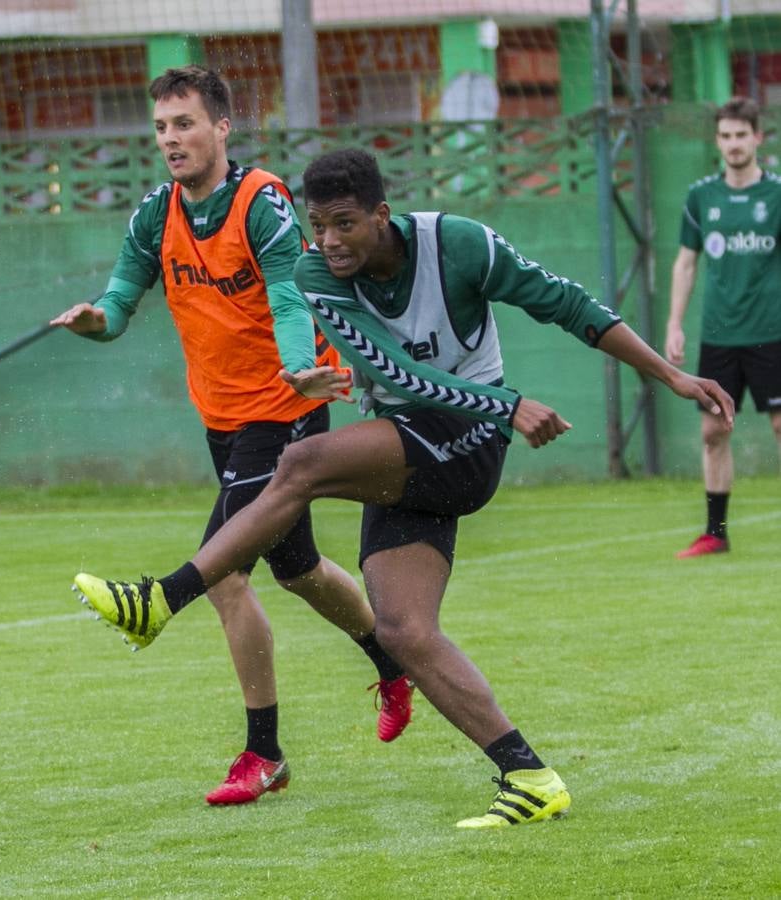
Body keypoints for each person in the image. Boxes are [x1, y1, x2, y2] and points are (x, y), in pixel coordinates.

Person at [73, 148, 736, 827]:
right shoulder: (316, 275)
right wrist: (506, 404)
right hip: (415, 442)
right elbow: (392, 372)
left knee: (300, 466)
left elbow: (567, 305)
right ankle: (529, 776)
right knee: (404, 629)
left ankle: (162, 598)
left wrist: (672, 377)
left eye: (345, 224)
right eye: (318, 225)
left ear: (381, 216)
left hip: (468, 441)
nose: (328, 241)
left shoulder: (458, 244)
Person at [50, 69, 413, 806]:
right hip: (220, 414)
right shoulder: (156, 214)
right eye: (160, 128)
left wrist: (297, 367)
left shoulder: (264, 203)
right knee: (300, 570)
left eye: (184, 124)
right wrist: (97, 324)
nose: (170, 140)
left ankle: (261, 749)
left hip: (286, 407)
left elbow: (287, 296)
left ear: (221, 128)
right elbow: (121, 300)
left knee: (225, 574)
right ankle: (393, 661)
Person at [665, 96, 781, 559]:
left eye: (741, 135)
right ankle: (716, 532)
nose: (733, 144)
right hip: (719, 335)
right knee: (713, 433)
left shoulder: (776, 195)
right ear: (718, 141)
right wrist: (675, 323)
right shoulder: (701, 197)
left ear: (757, 137)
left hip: (771, 333)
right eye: (726, 136)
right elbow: (686, 264)